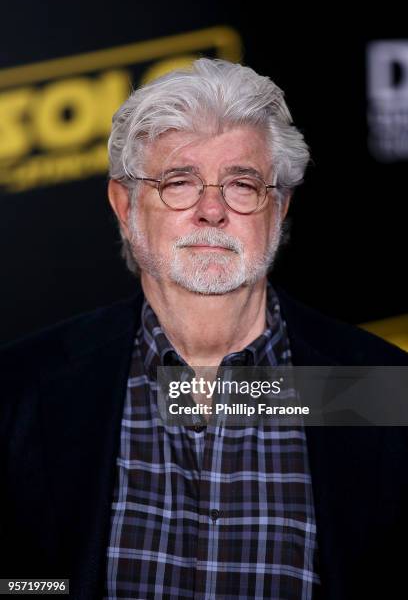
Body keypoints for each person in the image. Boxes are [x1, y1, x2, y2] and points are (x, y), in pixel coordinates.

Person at [1, 58, 408, 600]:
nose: (211, 210)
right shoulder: (22, 390)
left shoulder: (380, 390)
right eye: (178, 181)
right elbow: (20, 586)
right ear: (125, 206)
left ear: (280, 207)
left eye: (242, 184)